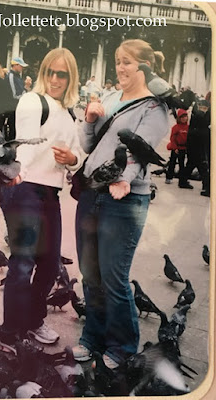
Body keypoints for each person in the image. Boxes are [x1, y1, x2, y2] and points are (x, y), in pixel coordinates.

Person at [72, 39, 169, 369]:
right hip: (91, 193)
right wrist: (89, 118)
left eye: (127, 62)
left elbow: (141, 152)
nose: (120, 68)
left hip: (124, 199)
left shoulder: (154, 107)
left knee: (114, 277)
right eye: (117, 61)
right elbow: (87, 143)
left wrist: (124, 178)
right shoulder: (111, 98)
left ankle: (123, 346)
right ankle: (92, 338)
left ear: (143, 66)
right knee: (90, 273)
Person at [0, 48, 83, 353]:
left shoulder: (70, 109)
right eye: (51, 72)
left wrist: (72, 159)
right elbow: (26, 143)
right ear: (43, 72)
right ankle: (11, 332)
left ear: (71, 77)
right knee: (22, 264)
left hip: (50, 192)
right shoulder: (34, 101)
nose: (56, 79)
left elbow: (77, 156)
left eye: (63, 74)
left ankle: (33, 321)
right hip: (25, 188)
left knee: (49, 265)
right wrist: (16, 171)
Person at [179, 99, 210, 195]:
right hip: (198, 145)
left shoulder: (195, 115)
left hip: (194, 144)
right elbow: (204, 127)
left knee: (191, 164)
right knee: (203, 166)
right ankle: (207, 188)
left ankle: (183, 181)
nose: (204, 110)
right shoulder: (200, 116)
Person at [4, 57, 28, 140]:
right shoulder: (11, 76)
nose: (22, 68)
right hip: (13, 107)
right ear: (15, 65)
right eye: (21, 66)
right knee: (13, 128)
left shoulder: (17, 76)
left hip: (17, 106)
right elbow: (15, 95)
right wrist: (26, 89)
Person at [165, 109, 189, 184]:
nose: (184, 119)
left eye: (185, 117)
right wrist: (174, 148)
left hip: (183, 148)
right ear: (179, 118)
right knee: (172, 163)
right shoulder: (175, 127)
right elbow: (172, 138)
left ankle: (182, 179)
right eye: (182, 117)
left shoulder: (188, 127)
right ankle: (169, 177)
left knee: (182, 165)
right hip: (176, 148)